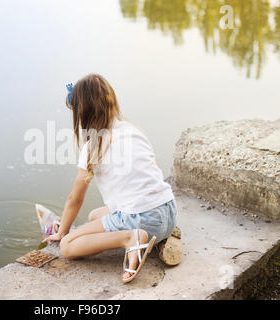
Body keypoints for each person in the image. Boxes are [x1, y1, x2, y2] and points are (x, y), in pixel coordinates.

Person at [43, 74, 178, 283]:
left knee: (68, 246)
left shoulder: (93, 147)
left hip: (142, 219)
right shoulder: (133, 131)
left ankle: (130, 239)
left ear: (83, 113)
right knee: (94, 216)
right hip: (168, 210)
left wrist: (63, 233)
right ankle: (160, 238)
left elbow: (75, 199)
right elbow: (155, 172)